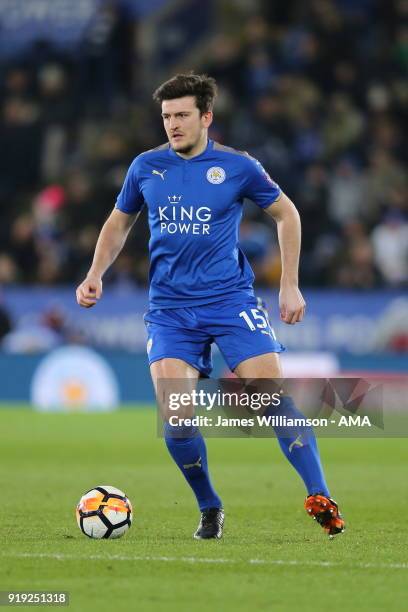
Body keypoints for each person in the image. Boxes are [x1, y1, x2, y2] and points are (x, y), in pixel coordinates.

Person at [76, 73, 345, 540]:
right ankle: (209, 507)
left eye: (182, 115)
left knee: (268, 394)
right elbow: (118, 224)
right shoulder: (145, 167)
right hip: (170, 309)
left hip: (230, 299)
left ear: (206, 117)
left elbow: (287, 213)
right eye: (166, 117)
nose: (173, 125)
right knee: (176, 416)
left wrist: (290, 284)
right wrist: (95, 273)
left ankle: (319, 494)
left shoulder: (238, 167)